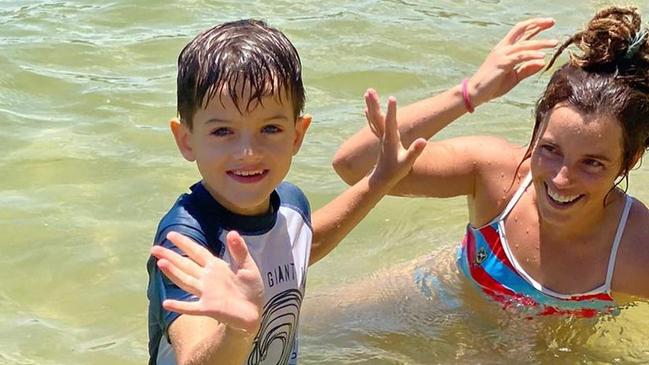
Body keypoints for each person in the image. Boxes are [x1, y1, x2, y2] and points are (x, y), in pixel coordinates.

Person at [333, 6, 649, 317]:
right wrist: (471, 93)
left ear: (629, 160)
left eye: (592, 163)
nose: (561, 179)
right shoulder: (497, 177)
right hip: (435, 298)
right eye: (550, 149)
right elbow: (353, 165)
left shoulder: (636, 249)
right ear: (536, 133)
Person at [146, 19, 426, 365]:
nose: (248, 151)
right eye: (222, 132)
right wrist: (239, 328)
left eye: (271, 128)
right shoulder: (186, 239)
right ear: (186, 140)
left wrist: (379, 180)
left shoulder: (291, 204)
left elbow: (307, 243)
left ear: (297, 135)